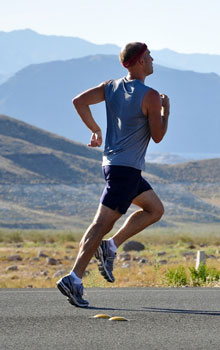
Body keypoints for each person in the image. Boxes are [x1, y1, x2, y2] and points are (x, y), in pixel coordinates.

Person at [56, 42, 170, 307]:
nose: (153, 60)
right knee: (100, 224)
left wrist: (95, 129)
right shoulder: (151, 96)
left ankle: (110, 246)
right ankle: (74, 278)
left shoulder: (111, 86)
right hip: (126, 170)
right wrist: (166, 111)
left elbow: (79, 101)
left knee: (155, 209)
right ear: (140, 61)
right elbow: (158, 136)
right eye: (150, 56)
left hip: (115, 166)